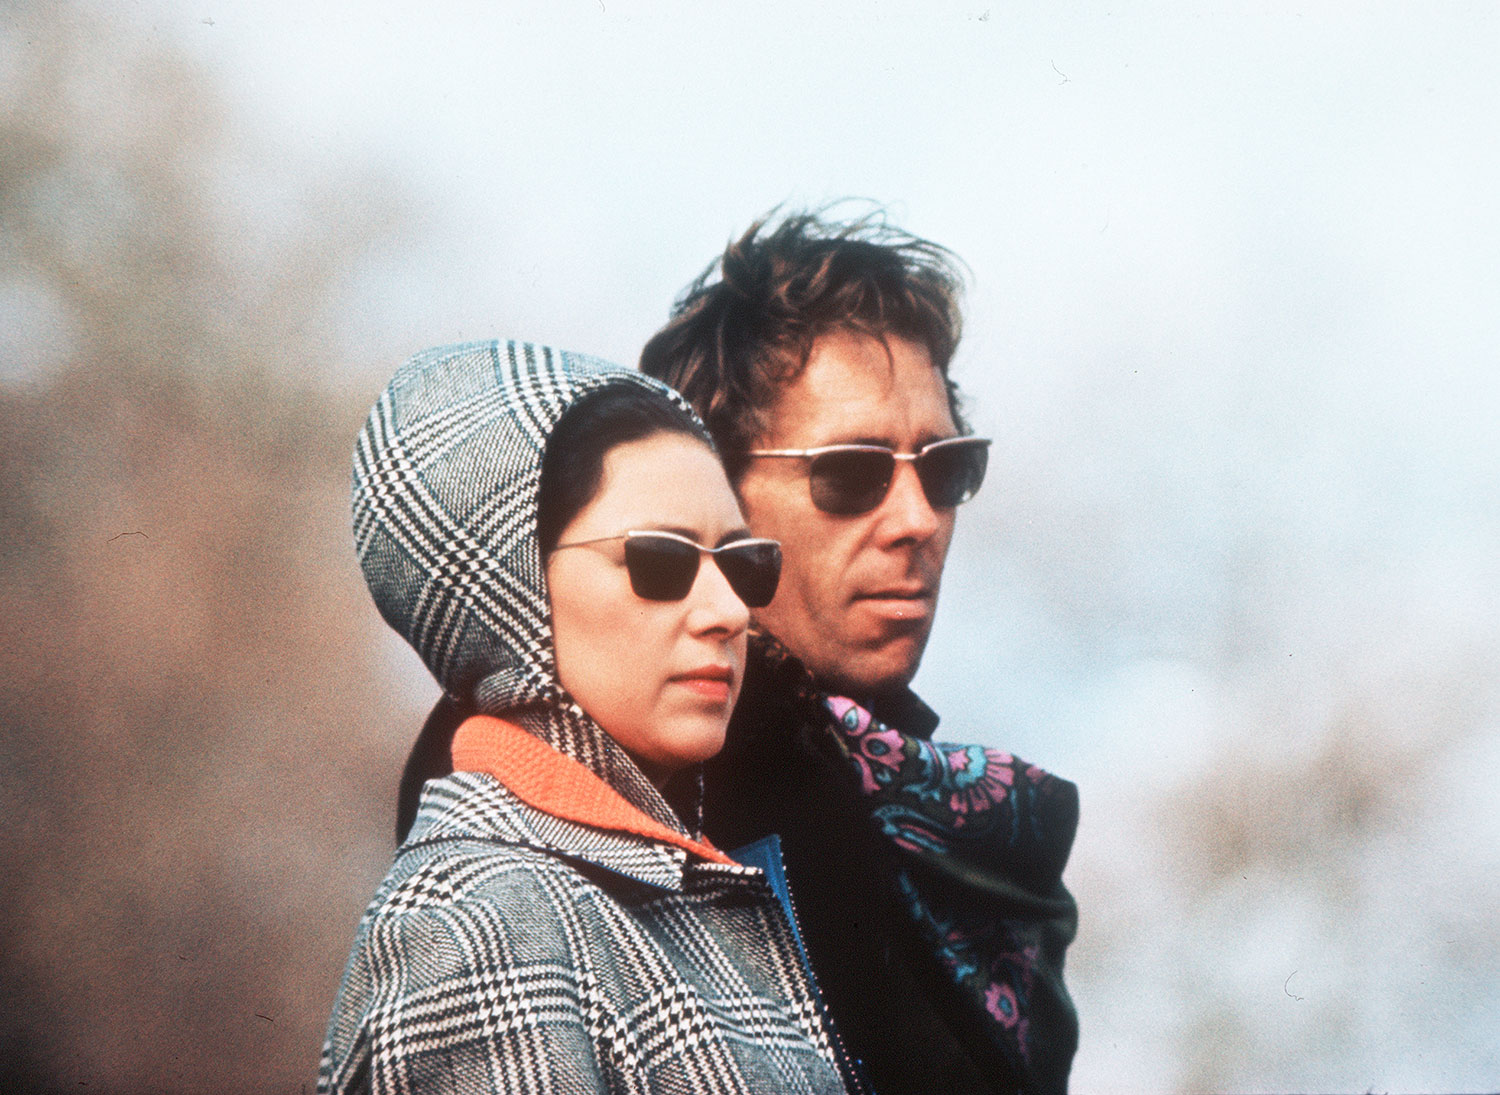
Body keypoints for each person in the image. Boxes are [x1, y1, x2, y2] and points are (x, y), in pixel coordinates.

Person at [321, 339, 853, 1094]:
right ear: (514, 589)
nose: (730, 611)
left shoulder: (650, 887)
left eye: (743, 562)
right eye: (660, 561)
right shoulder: (481, 923)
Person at [637, 210, 1081, 1095]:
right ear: (715, 498)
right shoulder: (638, 817)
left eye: (946, 467)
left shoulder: (924, 809)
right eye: (851, 472)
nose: (917, 520)